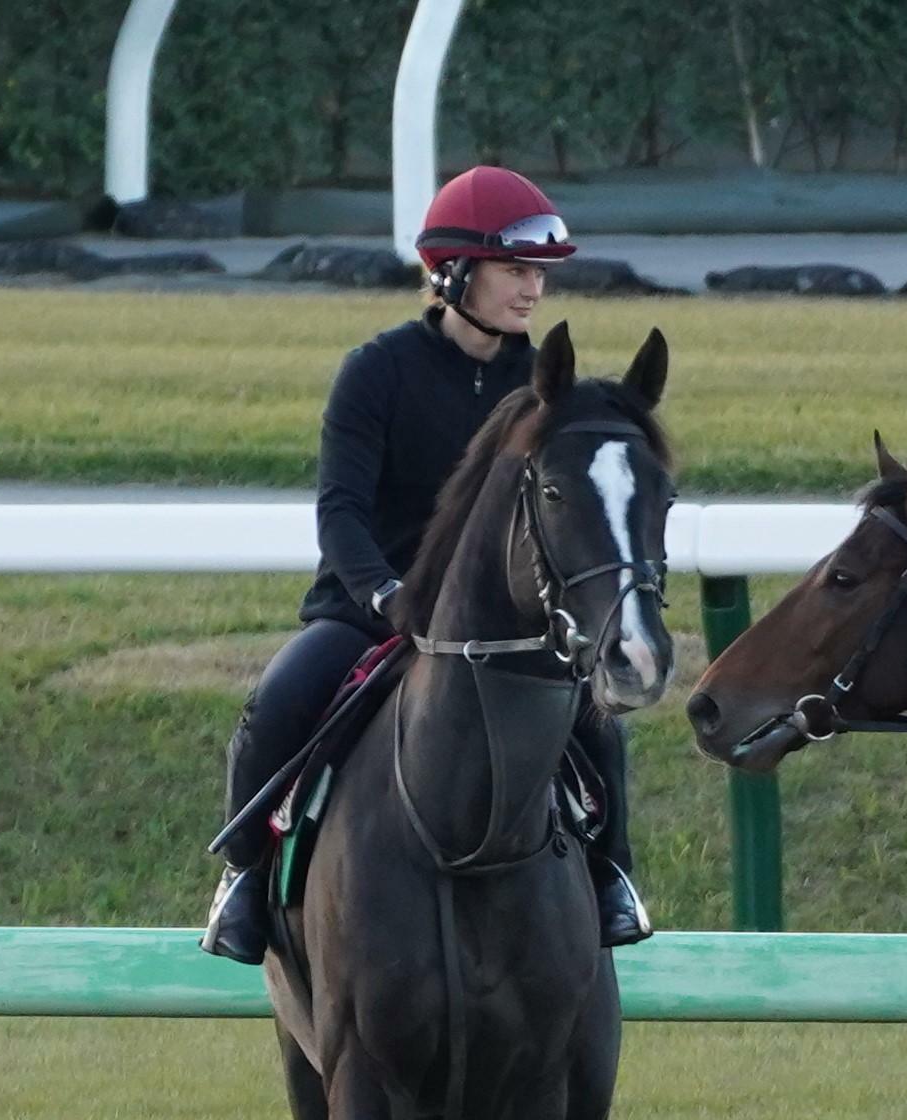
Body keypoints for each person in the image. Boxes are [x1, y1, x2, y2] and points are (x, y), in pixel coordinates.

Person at [201, 165, 651, 964]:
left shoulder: (545, 386)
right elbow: (339, 511)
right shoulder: (375, 370)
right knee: (276, 703)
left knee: (599, 728)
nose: (531, 292)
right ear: (453, 273)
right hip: (372, 610)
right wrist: (386, 595)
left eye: (538, 275)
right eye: (515, 272)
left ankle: (612, 878)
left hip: (506, 623)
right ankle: (241, 880)